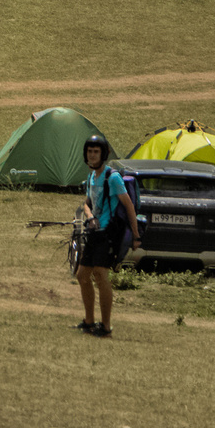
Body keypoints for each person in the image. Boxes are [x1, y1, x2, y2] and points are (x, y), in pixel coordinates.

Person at [74, 134, 139, 337]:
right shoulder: (92, 177)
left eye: (96, 152)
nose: (92, 156)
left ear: (104, 154)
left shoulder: (113, 178)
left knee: (101, 275)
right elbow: (86, 203)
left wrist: (136, 236)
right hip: (94, 232)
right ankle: (89, 321)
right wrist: (90, 216)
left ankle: (106, 326)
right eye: (89, 152)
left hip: (109, 234)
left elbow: (129, 206)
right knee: (83, 276)